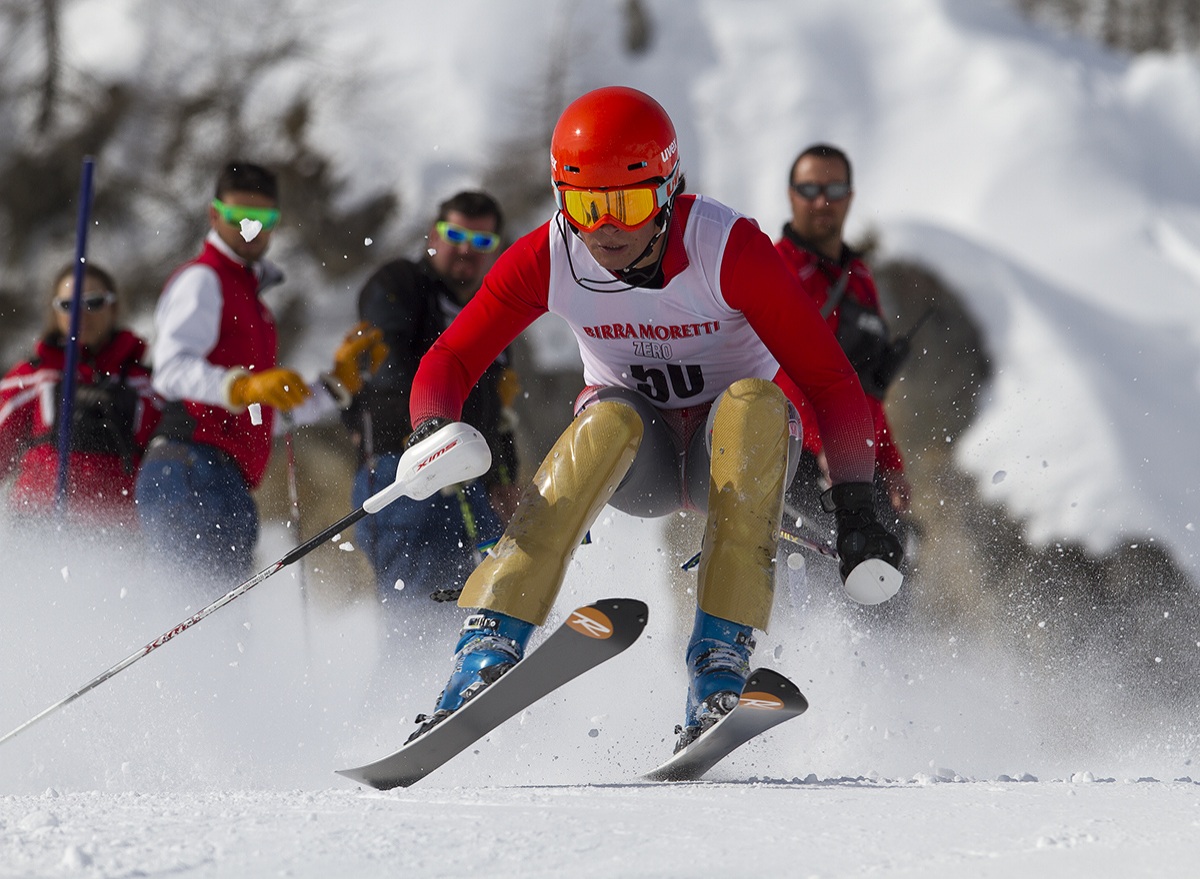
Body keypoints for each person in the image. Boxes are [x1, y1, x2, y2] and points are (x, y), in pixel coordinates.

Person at [401, 87, 903, 750]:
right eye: (585, 205)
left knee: (756, 402)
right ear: (562, 200)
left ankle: (719, 661)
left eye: (629, 204)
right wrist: (433, 428)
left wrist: (858, 505)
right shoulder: (554, 254)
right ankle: (487, 641)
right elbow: (450, 358)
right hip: (638, 460)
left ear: (670, 192)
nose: (606, 229)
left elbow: (831, 381)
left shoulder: (727, 247)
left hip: (733, 454)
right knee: (606, 419)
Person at [135, 160, 385, 580]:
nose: (250, 228)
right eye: (238, 217)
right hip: (189, 466)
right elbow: (170, 370)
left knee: (220, 627)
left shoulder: (253, 302)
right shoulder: (204, 280)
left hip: (222, 476)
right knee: (198, 620)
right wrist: (242, 386)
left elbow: (260, 412)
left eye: (262, 218)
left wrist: (332, 386)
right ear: (215, 215)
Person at [344, 190, 520, 606]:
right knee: (420, 613)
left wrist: (503, 476)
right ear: (433, 235)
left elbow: (497, 413)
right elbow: (392, 369)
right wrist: (440, 426)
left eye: (481, 242)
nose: (465, 250)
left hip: (469, 478)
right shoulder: (400, 284)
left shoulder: (491, 308)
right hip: (402, 471)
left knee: (486, 603)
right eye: (455, 234)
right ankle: (409, 673)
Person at [774, 144, 913, 540]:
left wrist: (890, 463)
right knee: (811, 587)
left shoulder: (859, 277)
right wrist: (826, 446)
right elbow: (781, 369)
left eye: (834, 191)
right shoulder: (774, 268)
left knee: (887, 579)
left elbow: (866, 387)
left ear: (849, 197)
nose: (822, 201)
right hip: (795, 459)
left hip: (854, 459)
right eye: (809, 189)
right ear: (791, 194)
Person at [0, 263, 160, 526]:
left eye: (93, 302)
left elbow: (168, 458)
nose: (81, 314)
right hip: (40, 524)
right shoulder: (31, 379)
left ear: (114, 307)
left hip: (118, 532)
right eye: (68, 305)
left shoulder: (145, 385)